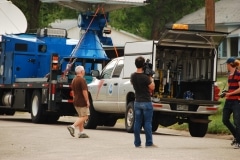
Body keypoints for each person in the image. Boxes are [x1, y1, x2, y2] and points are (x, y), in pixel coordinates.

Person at [130, 56, 157, 148]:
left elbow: (132, 83)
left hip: (137, 101)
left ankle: (137, 143)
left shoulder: (133, 76)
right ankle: (149, 142)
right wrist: (151, 78)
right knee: (147, 122)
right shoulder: (145, 77)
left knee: (137, 122)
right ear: (143, 65)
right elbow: (152, 87)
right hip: (146, 101)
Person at [67, 65, 90, 138]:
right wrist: (87, 101)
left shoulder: (74, 80)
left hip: (76, 101)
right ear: (81, 71)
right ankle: (72, 126)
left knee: (81, 116)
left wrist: (74, 98)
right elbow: (84, 91)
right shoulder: (82, 80)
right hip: (82, 101)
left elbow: (73, 91)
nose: (84, 72)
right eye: (83, 70)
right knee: (85, 116)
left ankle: (81, 132)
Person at [222, 57, 240, 149]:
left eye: (227, 64)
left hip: (236, 100)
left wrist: (230, 93)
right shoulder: (229, 75)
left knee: (237, 121)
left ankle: (238, 141)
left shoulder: (238, 74)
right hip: (228, 100)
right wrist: (226, 92)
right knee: (225, 119)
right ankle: (237, 137)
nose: (226, 66)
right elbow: (231, 87)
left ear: (230, 64)